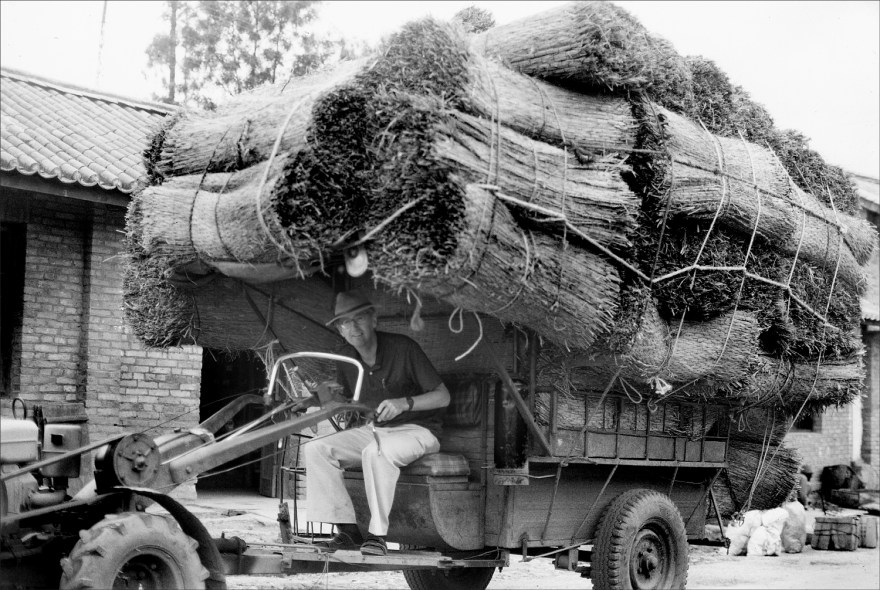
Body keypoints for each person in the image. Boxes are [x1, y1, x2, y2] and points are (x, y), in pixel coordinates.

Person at [304, 290, 450, 556]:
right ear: (340, 330)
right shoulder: (348, 357)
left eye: (359, 318)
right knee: (316, 449)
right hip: (376, 430)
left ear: (373, 319)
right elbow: (343, 398)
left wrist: (404, 403)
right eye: (345, 322)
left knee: (375, 452)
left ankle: (377, 536)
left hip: (419, 431)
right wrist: (312, 402)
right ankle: (347, 533)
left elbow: (443, 396)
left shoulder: (403, 348)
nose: (353, 327)